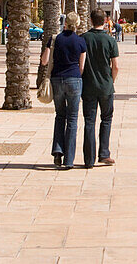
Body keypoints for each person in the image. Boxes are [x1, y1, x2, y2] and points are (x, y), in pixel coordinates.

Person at [41, 12, 87, 169]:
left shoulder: (55, 39)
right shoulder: (80, 41)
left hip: (57, 80)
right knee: (73, 119)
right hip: (74, 79)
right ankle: (69, 160)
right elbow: (82, 67)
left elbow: (44, 61)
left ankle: (57, 152)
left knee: (60, 116)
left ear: (65, 23)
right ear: (78, 24)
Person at [81, 8, 119, 168]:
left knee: (89, 121)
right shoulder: (110, 40)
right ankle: (104, 153)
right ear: (105, 21)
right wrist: (111, 81)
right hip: (106, 87)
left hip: (88, 86)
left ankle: (89, 159)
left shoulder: (83, 38)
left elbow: (80, 64)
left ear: (91, 20)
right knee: (106, 119)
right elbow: (116, 66)